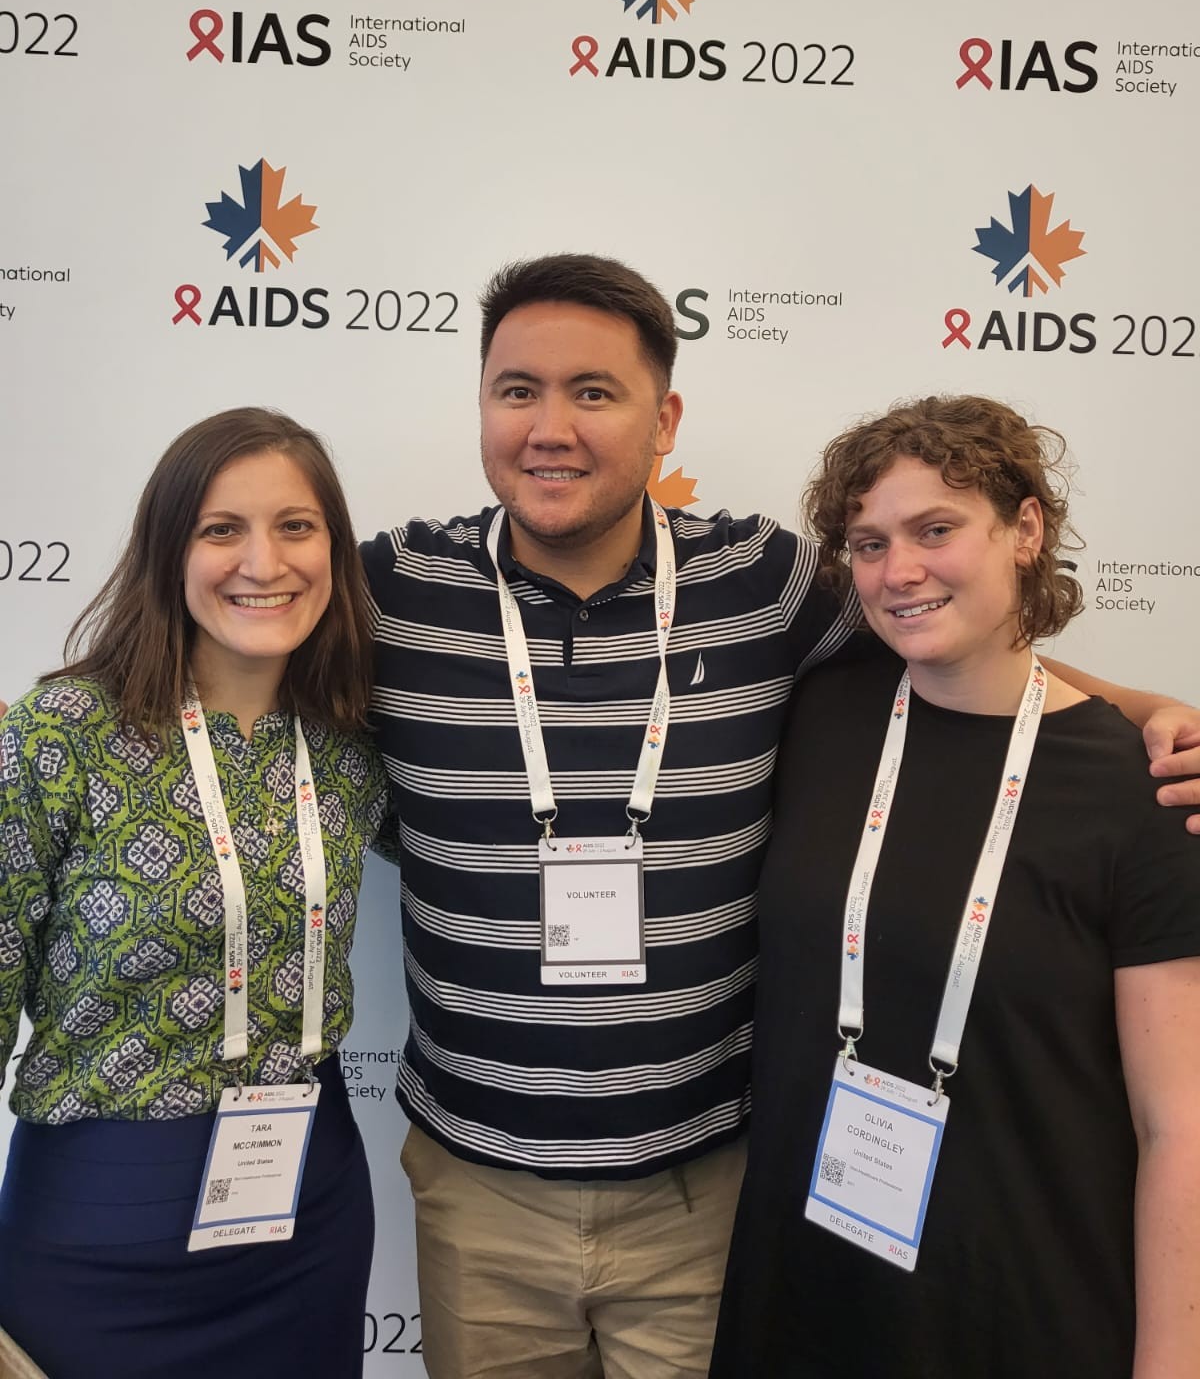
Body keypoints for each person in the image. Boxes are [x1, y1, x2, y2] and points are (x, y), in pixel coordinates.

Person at [361, 256, 1200, 1379]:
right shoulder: (386, 594)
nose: (550, 426)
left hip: (705, 1190)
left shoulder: (767, 582)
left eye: (594, 392)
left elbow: (967, 648)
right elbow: (230, 655)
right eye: (517, 390)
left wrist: (1154, 713)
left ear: (665, 419)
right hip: (479, 1191)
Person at [709, 395, 1200, 1379]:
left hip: (1022, 1304)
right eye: (868, 541)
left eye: (937, 529)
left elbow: (1177, 1125)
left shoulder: (1141, 791)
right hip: (805, 1287)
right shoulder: (821, 715)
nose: (900, 571)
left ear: (1025, 529)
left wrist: (1173, 1360)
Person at [0, 408, 388, 1379]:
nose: (265, 560)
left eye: (296, 526)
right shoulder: (61, 736)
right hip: (100, 1227)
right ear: (169, 549)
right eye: (223, 529)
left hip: (310, 1212)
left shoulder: (350, 747)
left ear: (333, 550)